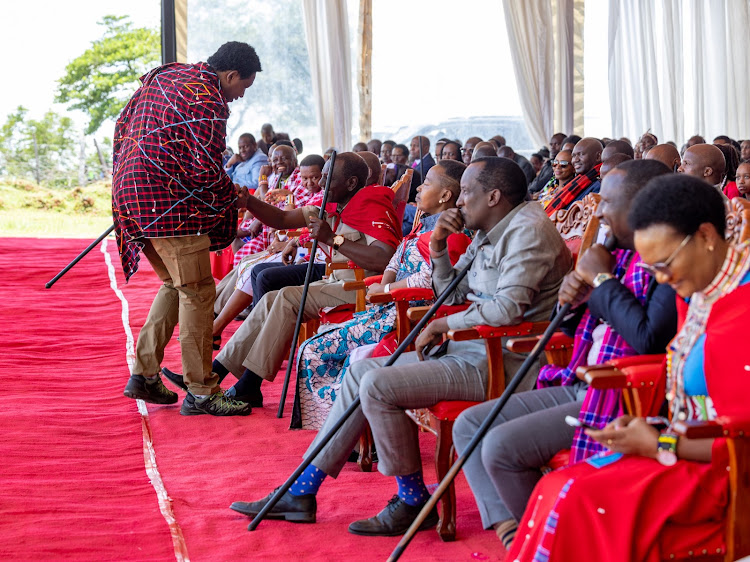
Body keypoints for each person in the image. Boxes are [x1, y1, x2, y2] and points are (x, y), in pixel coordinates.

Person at [229, 157, 572, 536]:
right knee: (361, 371)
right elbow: (451, 293)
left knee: (376, 383)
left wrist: (444, 323)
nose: (459, 203)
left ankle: (409, 500)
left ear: (493, 197)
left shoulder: (528, 232)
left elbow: (507, 310)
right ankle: (303, 491)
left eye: (467, 194)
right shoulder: (491, 228)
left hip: (503, 360)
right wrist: (439, 249)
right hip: (466, 350)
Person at [508, 173, 750, 562]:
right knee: (555, 487)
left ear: (706, 236)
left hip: (728, 477)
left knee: (576, 498)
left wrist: (661, 443)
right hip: (687, 449)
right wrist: (652, 430)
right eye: (653, 269)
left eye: (666, 263)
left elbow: (739, 441)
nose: (663, 280)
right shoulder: (703, 288)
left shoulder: (741, 305)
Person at [453, 159, 676, 549]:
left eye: (607, 202)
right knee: (469, 426)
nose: (600, 212)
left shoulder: (669, 264)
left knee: (500, 447)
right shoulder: (619, 254)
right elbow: (576, 329)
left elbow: (648, 338)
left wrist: (603, 280)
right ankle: (515, 533)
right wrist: (572, 300)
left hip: (622, 392)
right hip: (581, 375)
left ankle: (549, 542)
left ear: (644, 204)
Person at [115, 41, 262, 416]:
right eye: (242, 87)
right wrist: (235, 197)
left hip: (131, 193)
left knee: (175, 284)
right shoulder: (209, 100)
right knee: (197, 291)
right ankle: (202, 390)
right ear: (229, 76)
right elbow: (205, 171)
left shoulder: (170, 74)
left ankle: (145, 374)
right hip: (168, 204)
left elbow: (124, 123)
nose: (239, 97)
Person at [192, 152, 401, 409]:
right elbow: (281, 219)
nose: (322, 184)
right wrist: (249, 201)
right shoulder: (333, 204)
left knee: (287, 297)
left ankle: (248, 386)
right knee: (269, 298)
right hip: (334, 280)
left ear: (351, 183)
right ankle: (215, 373)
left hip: (361, 288)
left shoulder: (372, 205)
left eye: (328, 178)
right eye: (322, 176)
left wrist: (333, 239)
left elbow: (385, 258)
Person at [293, 160, 471, 429]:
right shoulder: (423, 225)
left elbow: (429, 278)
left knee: (314, 349)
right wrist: (384, 284)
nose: (420, 187)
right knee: (313, 344)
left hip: (408, 316)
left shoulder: (450, 234)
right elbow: (395, 259)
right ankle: (334, 424)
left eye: (428, 183)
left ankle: (345, 429)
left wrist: (386, 290)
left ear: (446, 196)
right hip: (386, 306)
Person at [212, 154, 326, 348]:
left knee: (255, 271)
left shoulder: (327, 196)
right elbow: (286, 217)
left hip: (311, 255)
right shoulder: (303, 187)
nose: (309, 182)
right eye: (305, 178)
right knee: (247, 265)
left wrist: (294, 241)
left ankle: (222, 327)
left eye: (315, 178)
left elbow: (323, 233)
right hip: (288, 241)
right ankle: (214, 316)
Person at [544, 137, 603, 216]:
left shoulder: (599, 185)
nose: (575, 160)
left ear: (598, 156)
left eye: (581, 154)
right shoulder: (578, 181)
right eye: (574, 156)